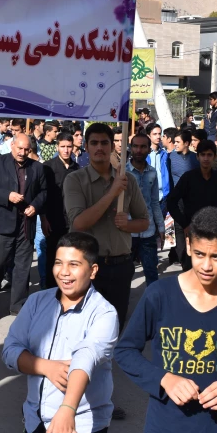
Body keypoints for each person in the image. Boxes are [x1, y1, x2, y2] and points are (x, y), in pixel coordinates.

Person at [115, 207, 217, 433]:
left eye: (216, 257)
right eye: (199, 254)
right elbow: (125, 351)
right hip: (162, 430)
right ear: (187, 246)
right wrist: (164, 378)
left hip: (216, 429)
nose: (206, 266)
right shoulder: (159, 295)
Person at [2, 231, 118, 433]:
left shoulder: (104, 313)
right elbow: (11, 349)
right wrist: (47, 367)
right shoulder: (37, 301)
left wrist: (67, 408)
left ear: (93, 271)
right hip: (35, 419)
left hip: (80, 425)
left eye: (74, 264)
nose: (64, 272)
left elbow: (87, 356)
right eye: (58, 263)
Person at [64, 122, 149, 331]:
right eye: (94, 143)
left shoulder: (127, 179)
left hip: (121, 266)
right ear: (86, 146)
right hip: (88, 268)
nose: (99, 147)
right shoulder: (75, 180)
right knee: (84, 329)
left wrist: (128, 225)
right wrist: (112, 193)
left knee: (114, 329)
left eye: (104, 143)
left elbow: (144, 221)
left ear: (113, 146)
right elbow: (78, 224)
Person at [0, 133, 47, 315]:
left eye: (27, 149)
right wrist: (7, 196)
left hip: (26, 223)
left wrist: (35, 206)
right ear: (12, 146)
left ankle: (17, 305)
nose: (23, 152)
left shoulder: (37, 168)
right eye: (20, 148)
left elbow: (43, 192)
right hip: (4, 221)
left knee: (23, 265)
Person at [167, 140, 217, 272]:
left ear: (214, 157)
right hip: (192, 232)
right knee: (190, 270)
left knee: (210, 270)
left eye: (209, 155)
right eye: (203, 155)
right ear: (197, 156)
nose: (206, 158)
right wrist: (184, 224)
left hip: (213, 233)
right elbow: (171, 201)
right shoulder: (188, 178)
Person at [127, 134, 166, 286]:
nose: (138, 150)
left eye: (143, 146)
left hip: (148, 231)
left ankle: (152, 307)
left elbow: (155, 202)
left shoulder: (152, 173)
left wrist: (161, 227)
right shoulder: (122, 172)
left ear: (149, 150)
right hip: (127, 231)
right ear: (130, 148)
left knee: (151, 273)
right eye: (135, 146)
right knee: (125, 275)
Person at [41, 132, 78, 289]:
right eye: (62, 147)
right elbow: (42, 195)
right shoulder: (48, 167)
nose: (66, 150)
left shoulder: (77, 169)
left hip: (72, 221)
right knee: (53, 258)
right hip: (53, 219)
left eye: (69, 147)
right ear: (57, 147)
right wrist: (43, 219)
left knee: (70, 257)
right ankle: (49, 291)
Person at [146, 123, 170, 214]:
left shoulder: (164, 154)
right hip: (147, 196)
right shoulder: (145, 154)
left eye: (160, 134)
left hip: (162, 196)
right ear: (148, 136)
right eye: (155, 134)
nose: (158, 136)